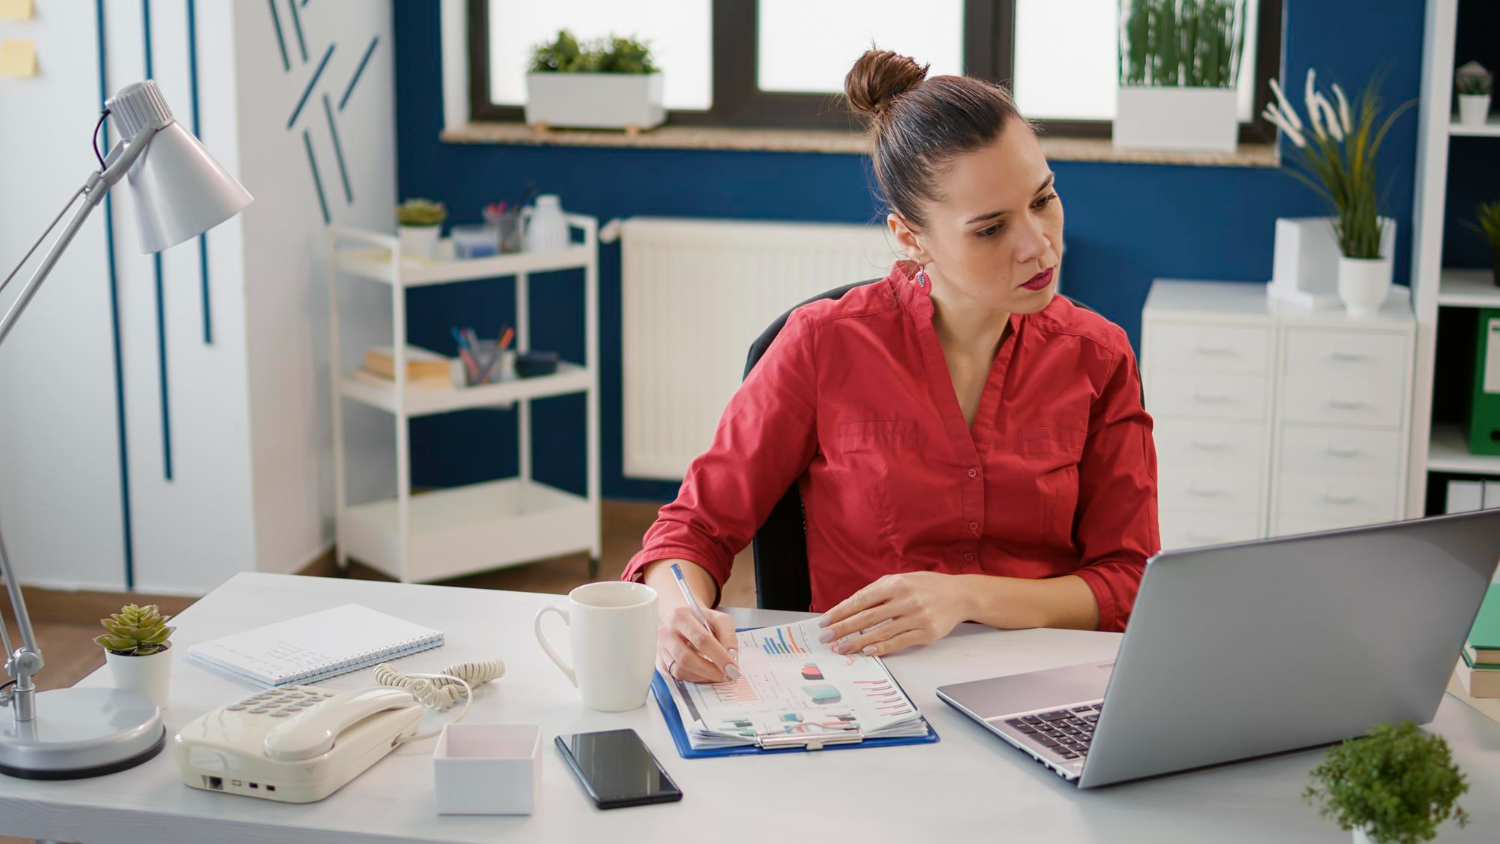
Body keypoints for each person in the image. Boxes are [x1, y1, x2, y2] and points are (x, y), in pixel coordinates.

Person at [622, 49, 1160, 684]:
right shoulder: (822, 345)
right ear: (910, 236)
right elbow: (695, 529)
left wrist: (965, 596)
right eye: (989, 229)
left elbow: (1129, 581)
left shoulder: (1099, 357)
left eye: (1043, 200)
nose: (1037, 244)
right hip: (864, 693)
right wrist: (677, 613)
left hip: (1044, 689)